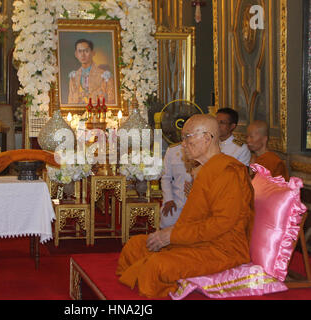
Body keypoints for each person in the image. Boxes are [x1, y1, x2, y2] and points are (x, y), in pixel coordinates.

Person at [116, 114, 254, 298]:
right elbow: (195, 217)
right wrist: (172, 234)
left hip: (221, 249)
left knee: (157, 265)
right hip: (194, 241)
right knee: (135, 246)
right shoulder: (204, 170)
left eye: (187, 137)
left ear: (207, 138)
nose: (183, 144)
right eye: (182, 138)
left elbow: (221, 224)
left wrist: (172, 236)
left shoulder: (228, 172)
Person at [160, 143, 200, 228]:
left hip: (198, 204)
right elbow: (166, 177)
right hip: (176, 201)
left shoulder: (205, 150)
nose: (184, 142)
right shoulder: (172, 150)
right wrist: (168, 199)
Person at [67, 39, 115, 105]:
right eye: (80, 51)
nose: (83, 55)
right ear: (76, 54)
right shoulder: (74, 76)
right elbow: (70, 102)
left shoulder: (105, 75)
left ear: (93, 53)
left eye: (86, 51)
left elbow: (111, 100)